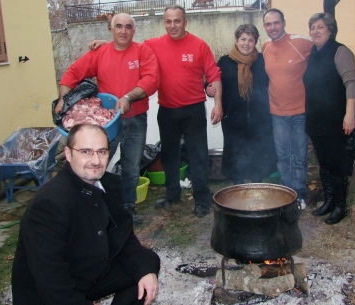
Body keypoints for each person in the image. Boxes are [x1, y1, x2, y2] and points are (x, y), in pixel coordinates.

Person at [89, 5, 223, 218]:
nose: (173, 25)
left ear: (185, 22)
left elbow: (213, 74)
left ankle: (202, 199)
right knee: (169, 155)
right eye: (168, 21)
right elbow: (128, 45)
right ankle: (172, 193)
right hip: (167, 110)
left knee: (197, 155)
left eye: (177, 21)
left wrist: (218, 103)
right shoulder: (154, 45)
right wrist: (107, 43)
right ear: (164, 23)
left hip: (194, 110)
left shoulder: (199, 45)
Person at [11, 124, 160, 305]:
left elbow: (124, 237)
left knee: (146, 264)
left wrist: (145, 270)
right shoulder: (48, 205)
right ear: (68, 154)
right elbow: (52, 282)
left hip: (88, 274)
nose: (96, 160)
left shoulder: (108, 184)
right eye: (86, 152)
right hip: (50, 294)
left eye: (102, 152)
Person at [56, 13, 160, 225]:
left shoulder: (142, 51)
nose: (123, 31)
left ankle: (128, 206)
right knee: (95, 164)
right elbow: (73, 73)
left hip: (136, 119)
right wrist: (62, 99)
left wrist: (129, 96)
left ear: (134, 30)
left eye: (128, 27)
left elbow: (152, 79)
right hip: (106, 123)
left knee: (131, 167)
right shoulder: (100, 53)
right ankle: (91, 205)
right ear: (111, 29)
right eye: (119, 26)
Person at [303, 13, 355, 224]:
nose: (315, 31)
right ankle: (329, 200)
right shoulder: (313, 53)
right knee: (324, 164)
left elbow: (351, 82)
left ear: (330, 30)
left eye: (320, 27)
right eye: (312, 27)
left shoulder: (340, 51)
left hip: (336, 120)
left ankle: (340, 206)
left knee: (335, 165)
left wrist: (349, 114)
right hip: (316, 119)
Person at [262, 8, 313, 209]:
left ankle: (299, 194)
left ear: (284, 23)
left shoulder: (301, 42)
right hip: (277, 113)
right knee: (282, 157)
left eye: (276, 23)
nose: (272, 27)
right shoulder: (265, 47)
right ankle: (286, 194)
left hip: (300, 111)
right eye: (268, 24)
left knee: (299, 156)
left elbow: (324, 51)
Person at [215, 24, 277, 184]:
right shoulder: (224, 62)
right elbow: (213, 82)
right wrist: (209, 89)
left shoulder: (263, 61)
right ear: (236, 40)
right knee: (236, 152)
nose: (246, 43)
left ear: (255, 42)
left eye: (251, 40)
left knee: (258, 151)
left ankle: (257, 184)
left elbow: (276, 81)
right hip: (233, 118)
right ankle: (238, 186)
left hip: (260, 117)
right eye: (243, 39)